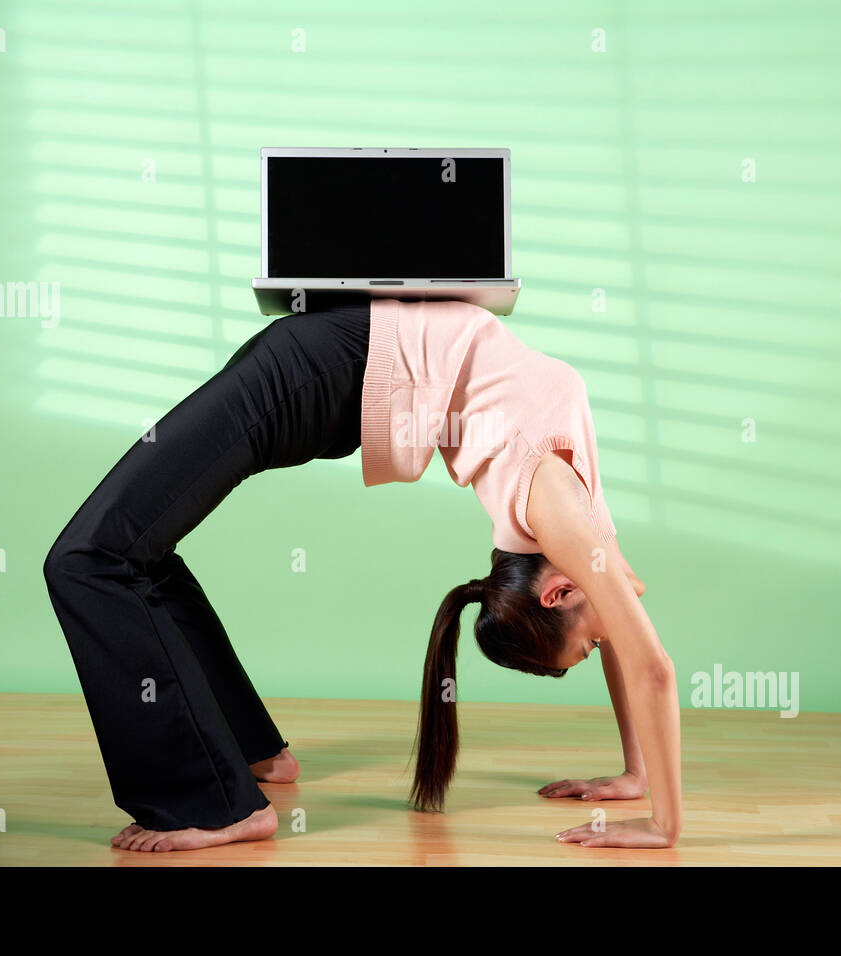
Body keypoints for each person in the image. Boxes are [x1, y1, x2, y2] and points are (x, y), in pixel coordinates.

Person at [42, 297, 682, 852]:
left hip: (334, 365)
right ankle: (234, 780)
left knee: (106, 553)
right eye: (590, 643)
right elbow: (651, 663)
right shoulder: (563, 514)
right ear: (560, 590)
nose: (604, 641)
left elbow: (626, 622)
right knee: (102, 558)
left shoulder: (569, 517)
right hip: (327, 365)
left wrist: (637, 775)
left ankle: (227, 791)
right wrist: (663, 825)